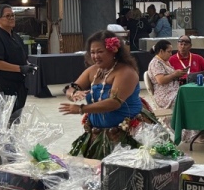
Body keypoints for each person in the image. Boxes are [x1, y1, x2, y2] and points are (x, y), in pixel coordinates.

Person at [58, 30, 156, 159]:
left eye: (100, 52)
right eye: (92, 52)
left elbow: (114, 103)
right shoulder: (93, 71)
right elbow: (72, 87)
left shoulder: (125, 72)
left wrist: (81, 109)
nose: (95, 56)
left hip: (127, 134)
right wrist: (73, 93)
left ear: (113, 50)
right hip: (98, 133)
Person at [0, 4, 37, 123]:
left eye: (13, 15)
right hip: (3, 87)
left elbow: (19, 57)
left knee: (13, 121)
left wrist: (27, 65)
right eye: (7, 16)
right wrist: (20, 68)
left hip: (17, 86)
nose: (12, 18)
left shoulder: (15, 36)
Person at [147, 40, 183, 110]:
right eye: (169, 52)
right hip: (165, 96)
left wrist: (178, 73)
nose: (171, 54)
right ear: (161, 51)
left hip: (173, 92)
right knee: (186, 99)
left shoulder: (165, 62)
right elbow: (161, 80)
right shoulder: (156, 63)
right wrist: (175, 74)